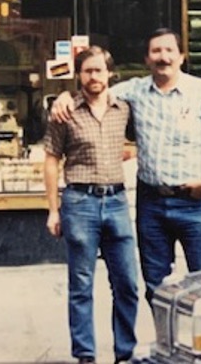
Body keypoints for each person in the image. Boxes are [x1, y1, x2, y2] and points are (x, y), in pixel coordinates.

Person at [51, 27, 201, 304]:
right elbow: (94, 91)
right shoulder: (134, 91)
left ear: (182, 56)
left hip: (195, 203)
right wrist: (64, 97)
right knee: (155, 284)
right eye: (156, 51)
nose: (163, 57)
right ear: (147, 59)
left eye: (169, 51)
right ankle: (166, 343)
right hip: (152, 203)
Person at [44, 47, 138, 364]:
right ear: (79, 75)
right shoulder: (65, 112)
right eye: (87, 71)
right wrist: (53, 209)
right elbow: (51, 160)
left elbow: (143, 141)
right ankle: (85, 355)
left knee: (126, 282)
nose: (93, 77)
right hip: (79, 202)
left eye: (99, 71)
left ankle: (124, 353)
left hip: (116, 201)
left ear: (109, 73)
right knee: (81, 285)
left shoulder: (124, 108)